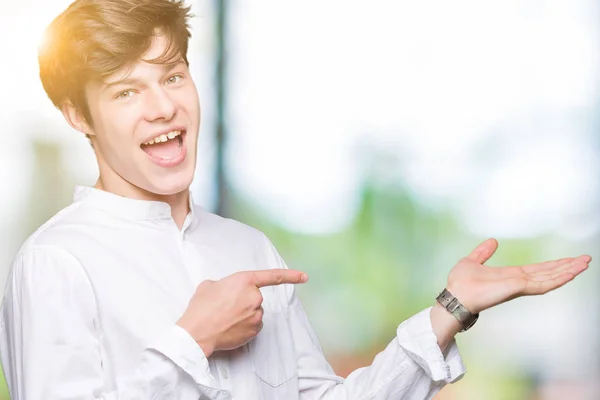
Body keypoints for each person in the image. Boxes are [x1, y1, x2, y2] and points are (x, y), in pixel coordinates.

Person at [0, 1, 591, 399]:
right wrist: (192, 338)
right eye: (127, 90)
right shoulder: (57, 261)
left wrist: (448, 312)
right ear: (78, 115)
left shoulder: (244, 246)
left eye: (172, 76)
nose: (163, 108)